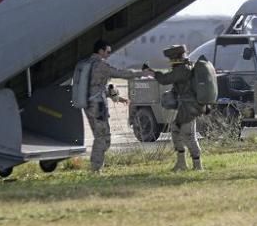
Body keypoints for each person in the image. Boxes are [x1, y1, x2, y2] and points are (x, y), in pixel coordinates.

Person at [84, 39, 144, 172]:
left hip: (88, 105)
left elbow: (98, 87)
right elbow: (123, 74)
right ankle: (96, 169)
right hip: (98, 106)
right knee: (103, 139)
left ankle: (97, 166)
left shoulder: (87, 64)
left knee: (100, 137)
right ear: (100, 51)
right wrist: (143, 73)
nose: (109, 54)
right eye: (108, 51)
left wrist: (118, 98)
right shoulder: (101, 65)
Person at [151, 45, 205, 171]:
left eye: (171, 58)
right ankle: (181, 163)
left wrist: (153, 73)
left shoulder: (183, 69)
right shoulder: (184, 67)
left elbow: (165, 79)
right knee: (175, 131)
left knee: (189, 135)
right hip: (184, 106)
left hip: (189, 107)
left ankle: (198, 165)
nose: (170, 61)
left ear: (176, 57)